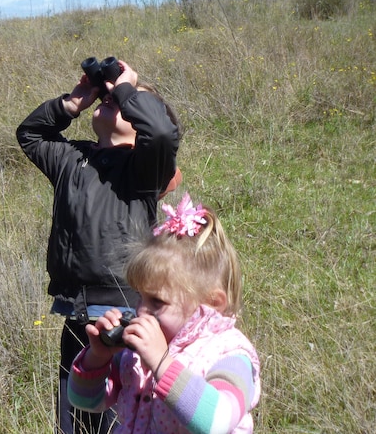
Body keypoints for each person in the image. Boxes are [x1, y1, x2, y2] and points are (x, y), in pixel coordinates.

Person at [16, 58, 180, 434]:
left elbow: (161, 133)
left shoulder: (144, 168)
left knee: (118, 421)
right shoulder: (73, 158)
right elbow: (31, 135)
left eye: (126, 102)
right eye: (110, 96)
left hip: (125, 317)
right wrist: (71, 104)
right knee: (75, 419)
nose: (112, 99)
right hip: (77, 315)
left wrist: (126, 88)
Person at [68, 193, 261, 433]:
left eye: (157, 301)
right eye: (140, 296)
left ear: (212, 302)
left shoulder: (229, 353)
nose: (140, 309)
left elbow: (217, 423)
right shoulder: (135, 354)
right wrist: (98, 357)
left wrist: (162, 362)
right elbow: (86, 402)